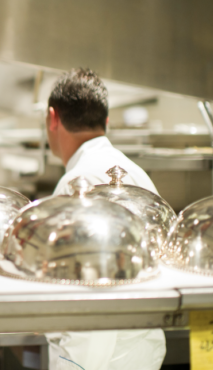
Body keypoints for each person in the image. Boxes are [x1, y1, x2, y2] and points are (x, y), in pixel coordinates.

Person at [44, 68, 166, 370]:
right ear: (106, 122)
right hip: (142, 350)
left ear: (52, 118)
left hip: (98, 358)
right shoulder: (136, 174)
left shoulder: (78, 184)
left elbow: (89, 298)